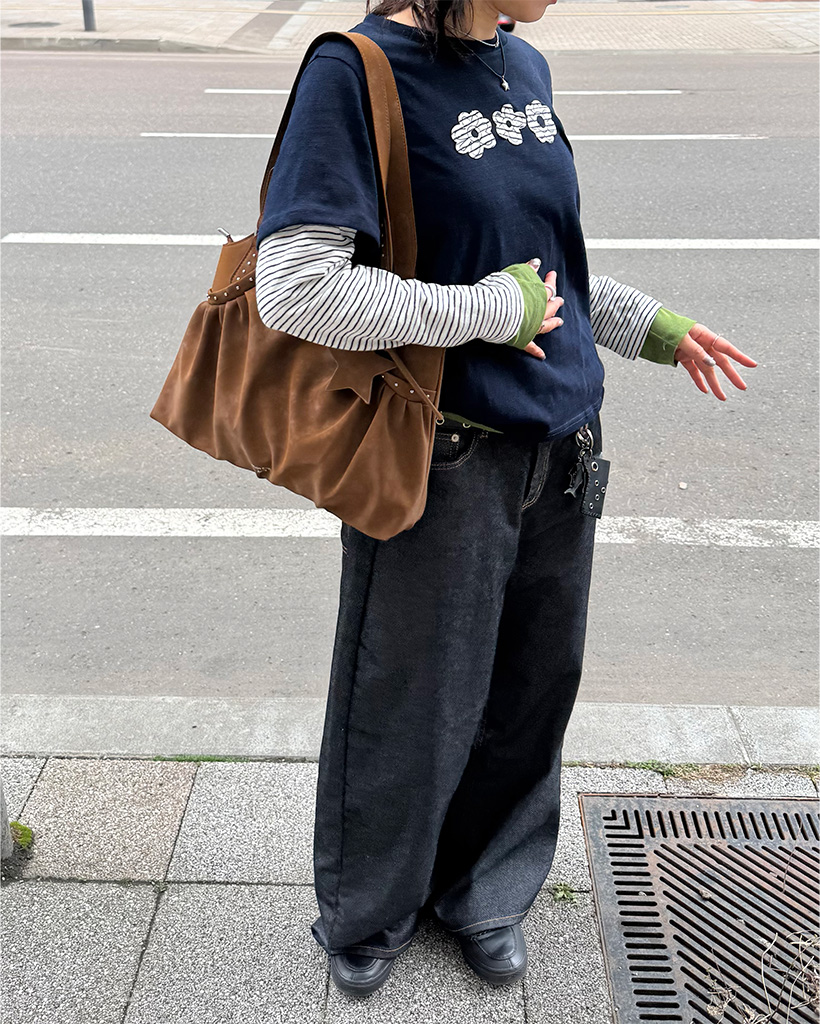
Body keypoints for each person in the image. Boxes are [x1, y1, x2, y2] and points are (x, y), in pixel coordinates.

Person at [254, 0, 757, 997]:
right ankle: (369, 909)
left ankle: (485, 893)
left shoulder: (522, 65)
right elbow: (297, 287)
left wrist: (648, 326)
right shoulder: (356, 71)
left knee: (531, 691)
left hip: (564, 445)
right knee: (407, 700)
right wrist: (487, 312)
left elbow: (545, 265)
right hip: (444, 454)